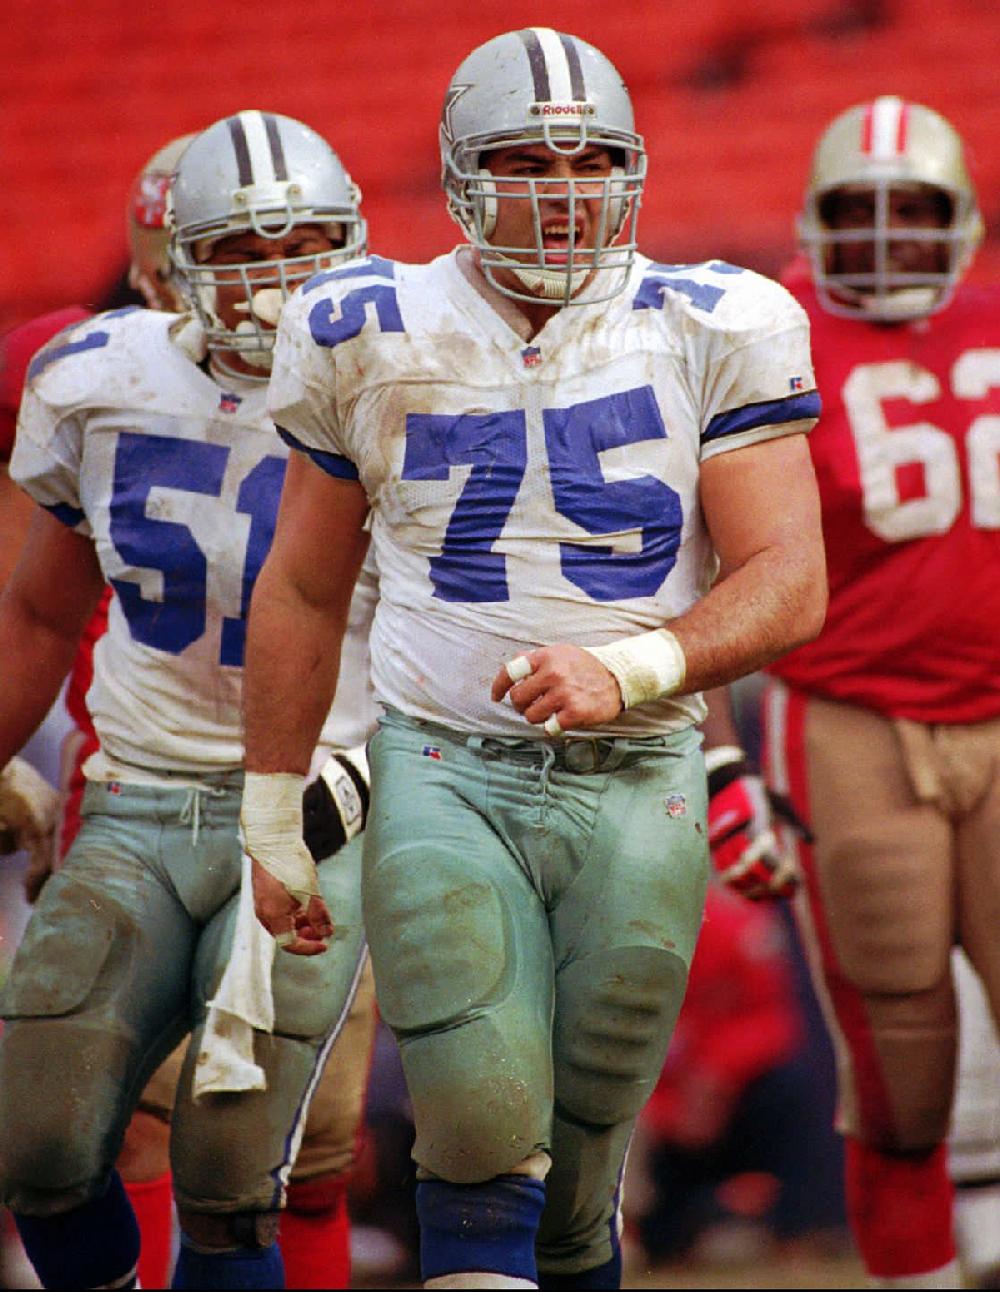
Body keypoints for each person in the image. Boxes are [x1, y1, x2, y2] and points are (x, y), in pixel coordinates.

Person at [240, 27, 826, 1291]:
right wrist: (270, 797)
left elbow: (787, 577)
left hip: (639, 767)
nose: (561, 190)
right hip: (444, 762)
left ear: (631, 168)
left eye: (589, 159)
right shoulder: (361, 322)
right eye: (525, 159)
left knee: (588, 1140)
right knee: (477, 1106)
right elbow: (299, 581)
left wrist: (643, 660)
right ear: (462, 173)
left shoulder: (716, 319)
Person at [0, 110, 376, 1291]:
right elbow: (39, 609)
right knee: (40, 1139)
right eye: (242, 253)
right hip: (139, 794)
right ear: (171, 265)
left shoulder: (408, 381)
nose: (276, 286)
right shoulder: (92, 373)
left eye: (307, 248)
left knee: (247, 1165)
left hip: (323, 804)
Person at [760, 95, 1000, 1289]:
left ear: (959, 218)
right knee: (898, 1058)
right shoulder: (761, 335)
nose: (888, 234)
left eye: (915, 208)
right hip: (848, 712)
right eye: (861, 208)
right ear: (814, 215)